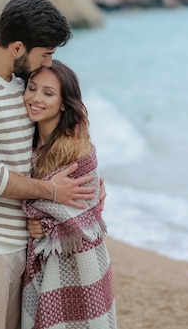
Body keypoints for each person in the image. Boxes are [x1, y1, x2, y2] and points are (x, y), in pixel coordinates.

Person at [0, 0, 99, 329]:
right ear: (17, 49)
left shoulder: (21, 88)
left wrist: (87, 188)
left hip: (21, 247)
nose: (47, 64)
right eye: (45, 54)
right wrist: (52, 191)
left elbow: (47, 149)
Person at [21, 60, 117, 329]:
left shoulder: (78, 151)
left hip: (82, 261)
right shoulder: (21, 141)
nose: (36, 98)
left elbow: (86, 209)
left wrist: (44, 220)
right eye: (32, 88)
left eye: (48, 93)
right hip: (41, 259)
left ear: (64, 103)